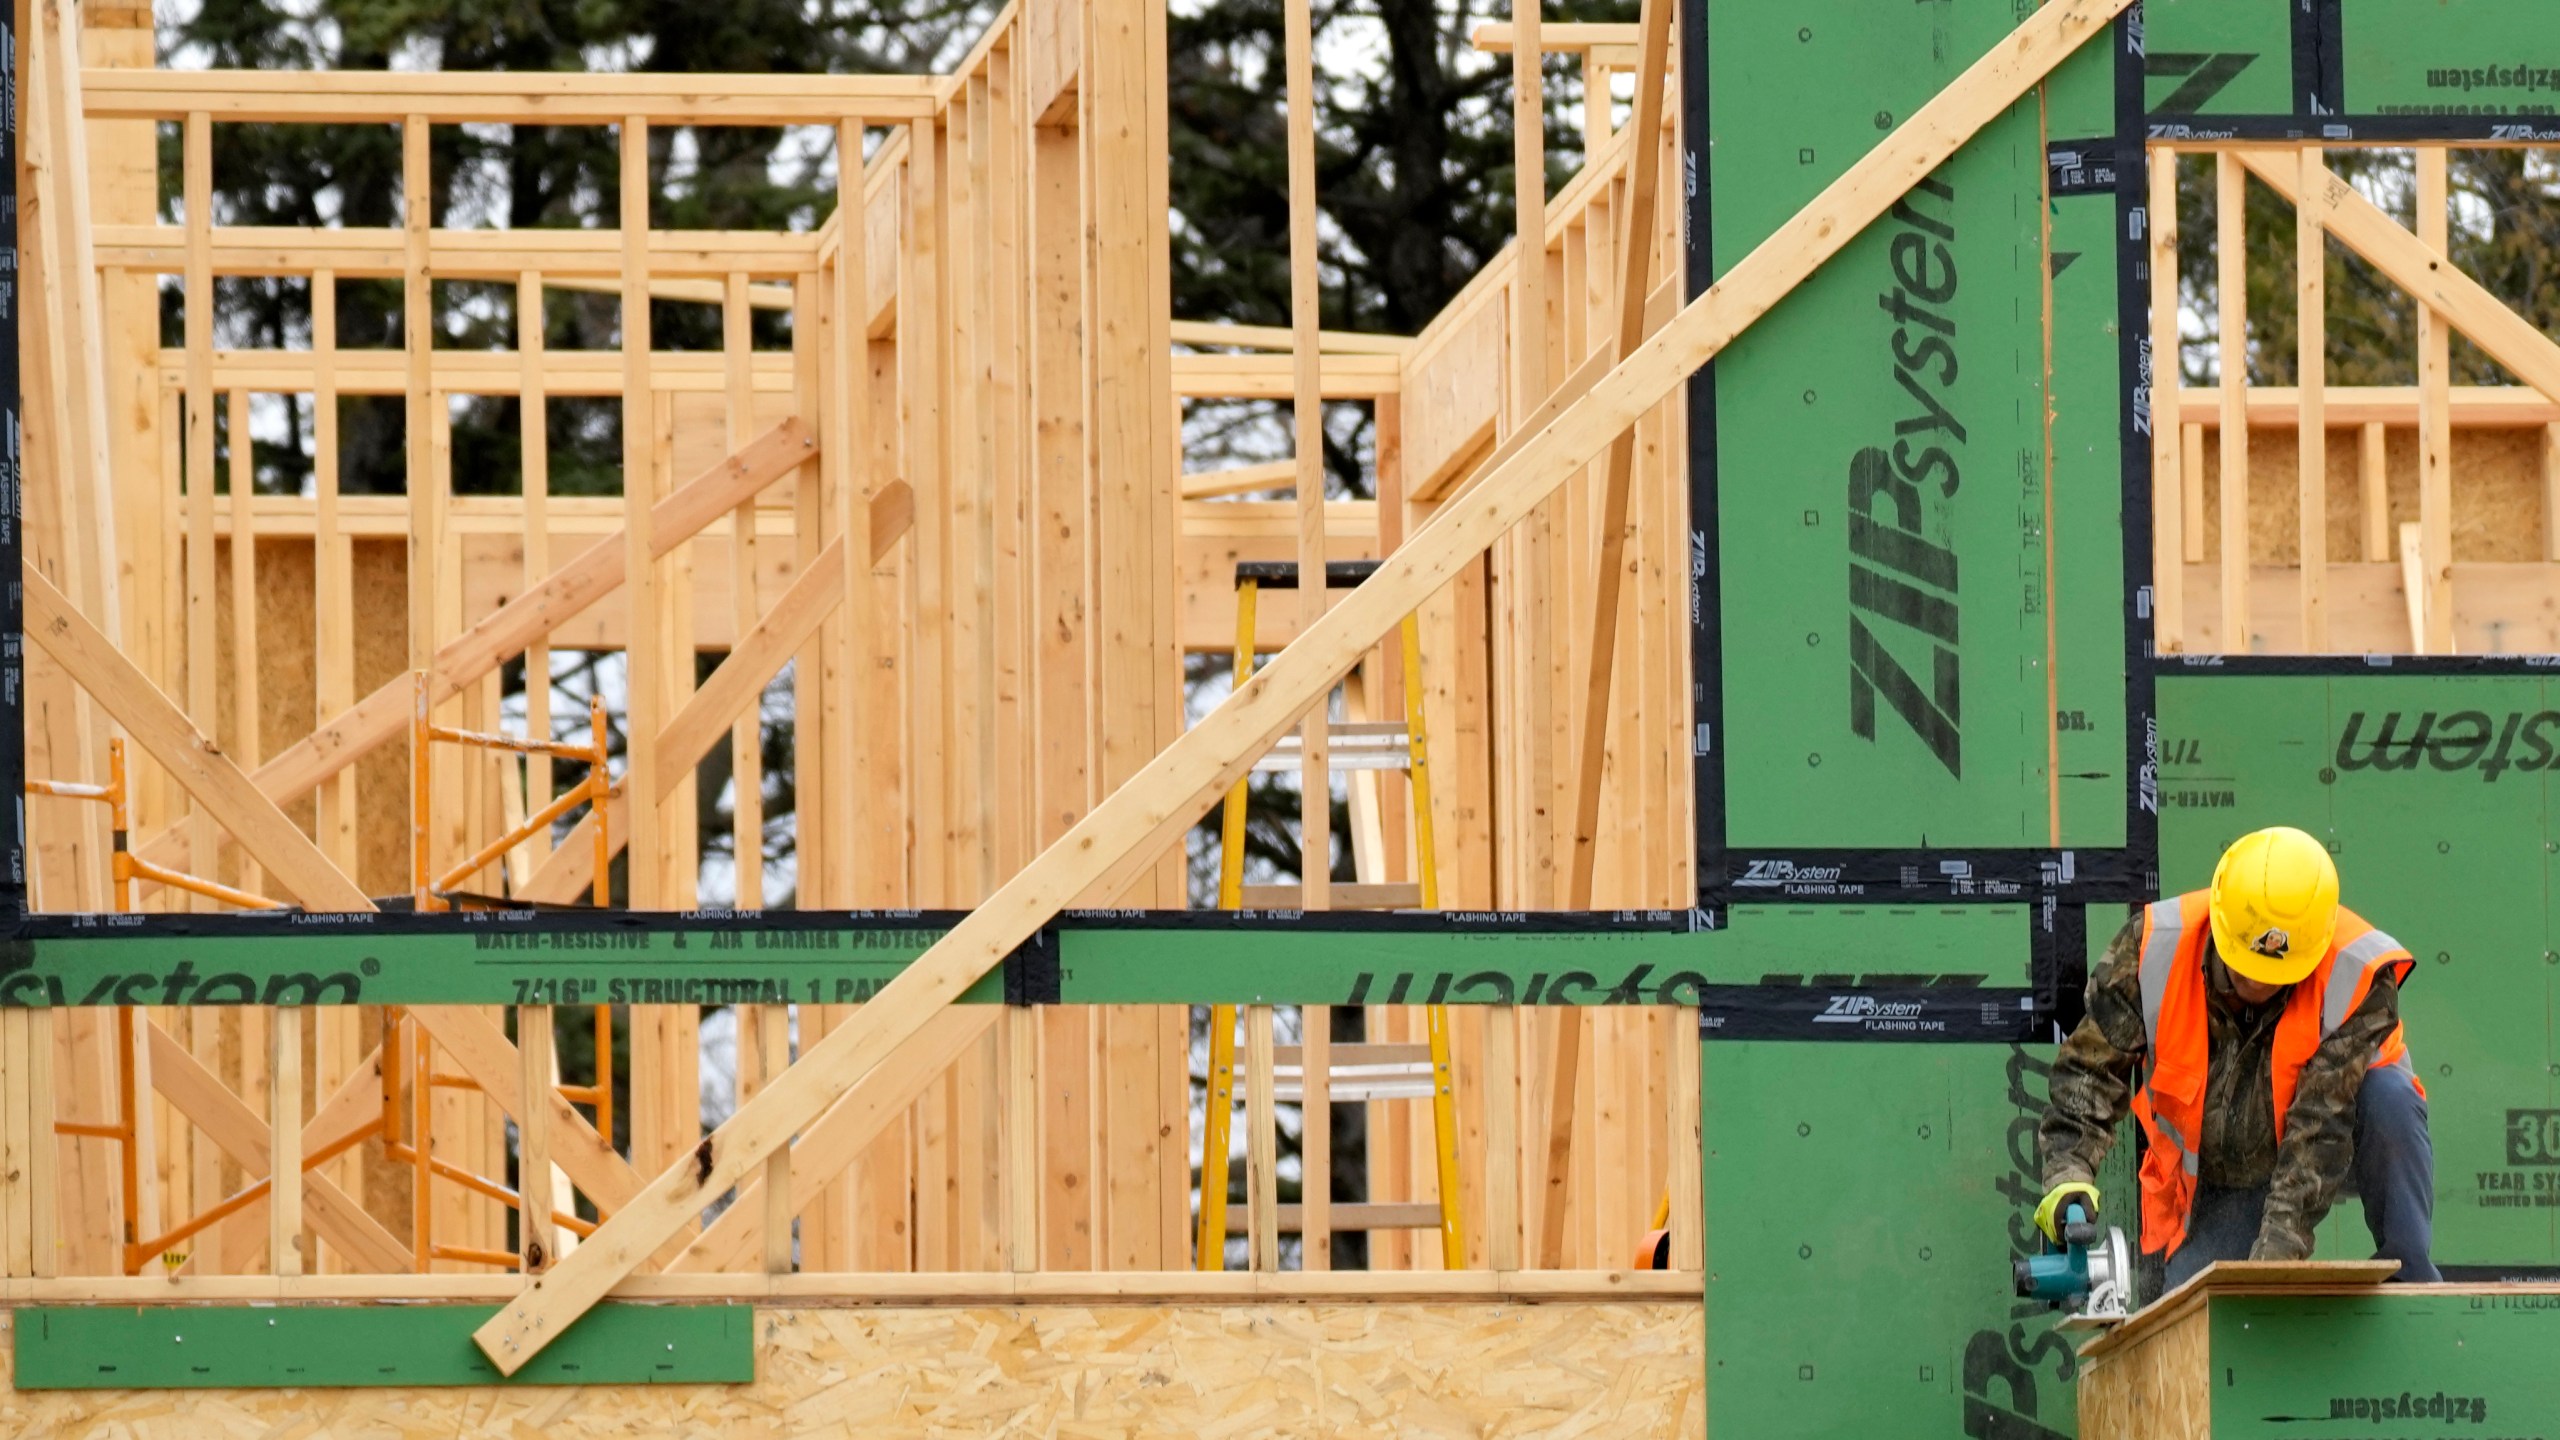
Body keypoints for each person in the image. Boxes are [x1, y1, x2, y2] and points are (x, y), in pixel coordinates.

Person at [2034, 825, 2440, 1291]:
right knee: (2196, 1311)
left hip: (2332, 1140)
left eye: (2276, 974)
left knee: (2391, 1095)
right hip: (2220, 1182)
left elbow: (2319, 1128)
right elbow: (2089, 1074)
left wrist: (2272, 1267)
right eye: (2247, 967)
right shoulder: (2153, 950)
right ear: (2220, 921)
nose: (2260, 985)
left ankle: (2413, 1281)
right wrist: (2069, 1174)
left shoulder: (2357, 971)